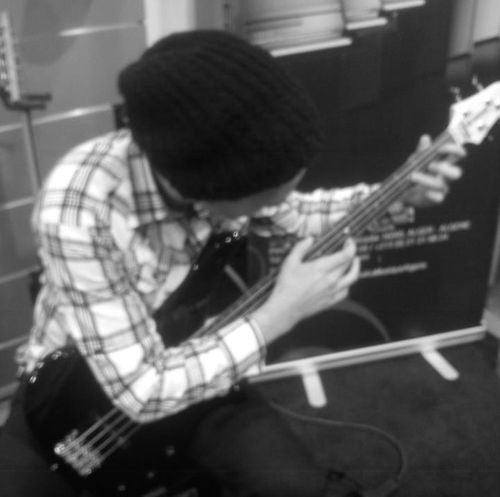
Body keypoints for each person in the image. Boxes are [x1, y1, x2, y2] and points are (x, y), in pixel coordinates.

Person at [0, 30, 465, 497]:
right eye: (266, 199)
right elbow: (142, 390)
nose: (278, 206)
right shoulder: (79, 210)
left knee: (297, 488)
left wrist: (398, 194)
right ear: (206, 197)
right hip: (73, 393)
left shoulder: (226, 172)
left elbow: (299, 215)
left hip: (196, 356)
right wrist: (279, 314)